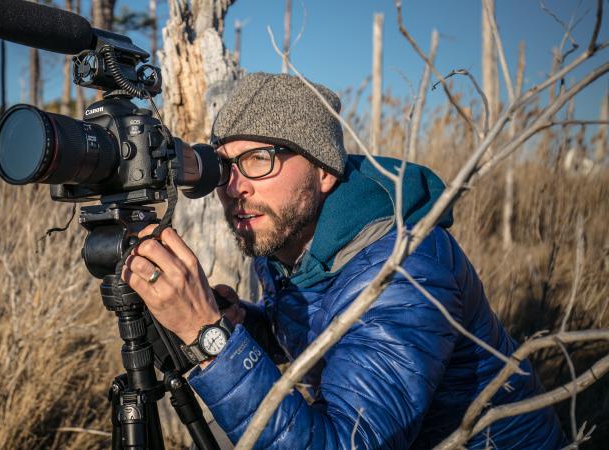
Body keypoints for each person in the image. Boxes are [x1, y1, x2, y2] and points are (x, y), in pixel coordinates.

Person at [121, 73, 564, 449]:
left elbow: (344, 440)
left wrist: (206, 337)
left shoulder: (405, 270)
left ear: (324, 171)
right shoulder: (287, 237)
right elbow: (322, 332)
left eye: (259, 158)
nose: (235, 187)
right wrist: (242, 326)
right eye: (223, 165)